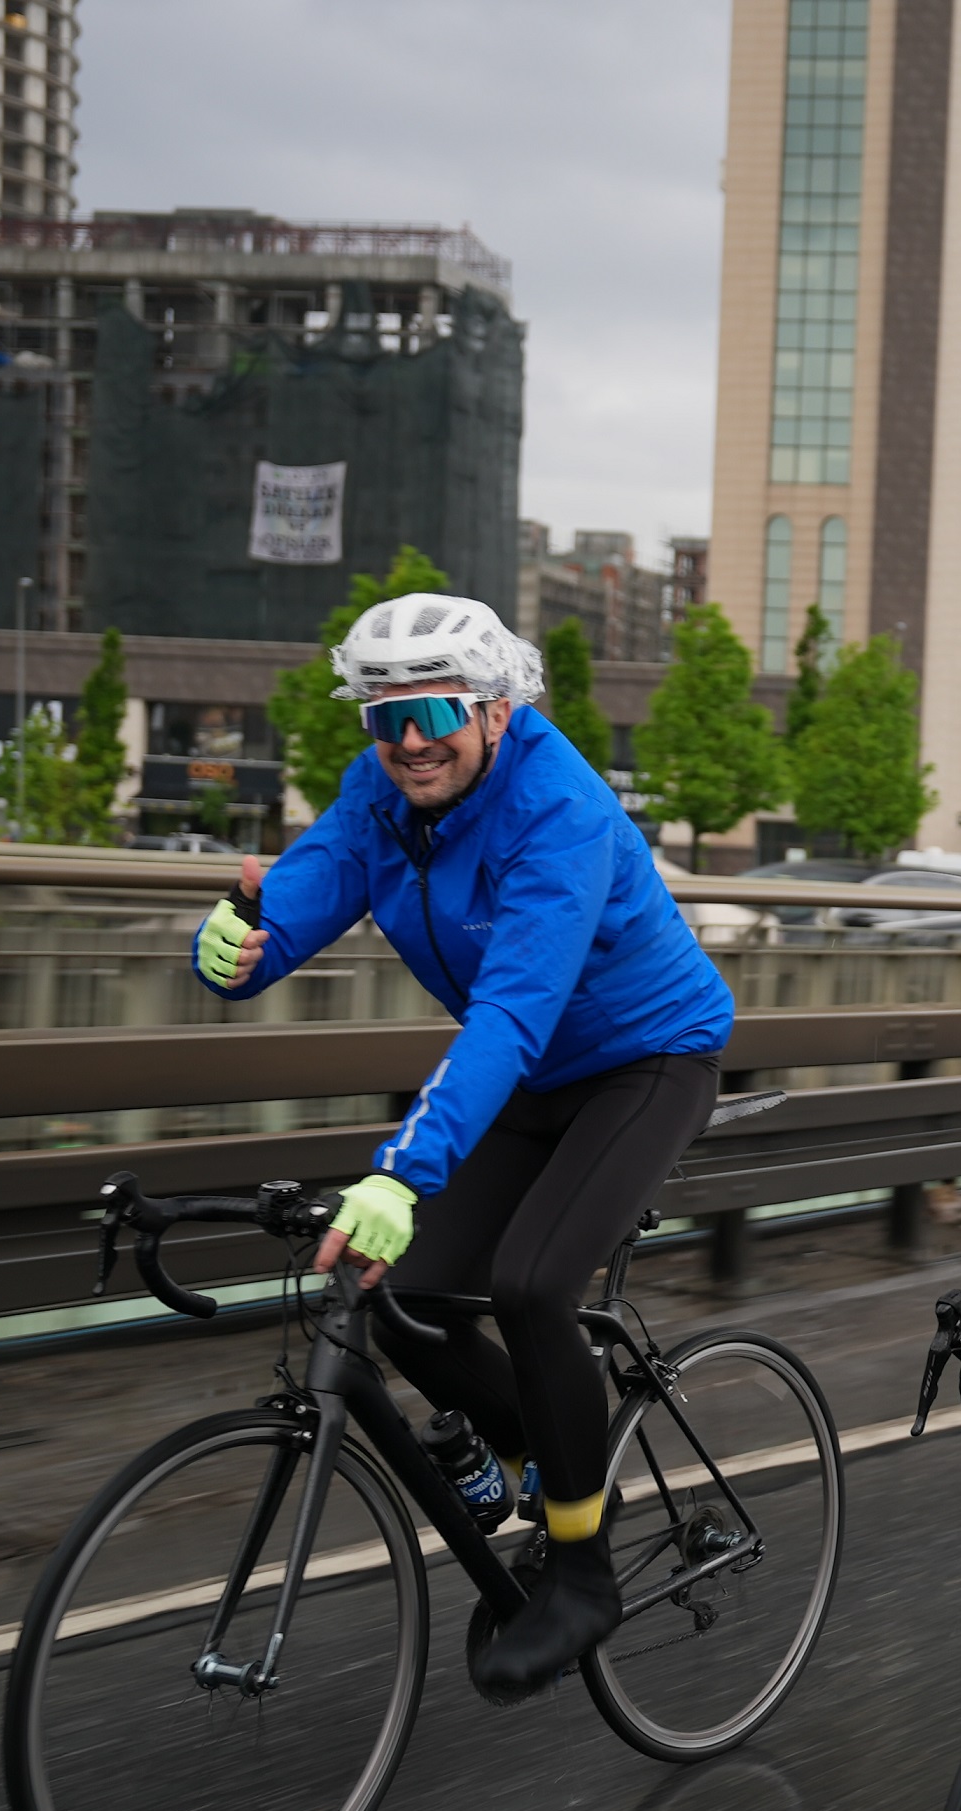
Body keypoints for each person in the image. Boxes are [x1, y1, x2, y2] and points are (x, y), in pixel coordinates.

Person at [192, 593, 737, 1696]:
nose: (406, 743)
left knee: (532, 1285)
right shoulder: (381, 793)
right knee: (405, 1295)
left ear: (493, 710)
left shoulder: (561, 810)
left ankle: (583, 1571)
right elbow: (312, 885)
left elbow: (512, 1010)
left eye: (431, 712)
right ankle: (554, 1453)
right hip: (528, 1075)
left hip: (644, 1060)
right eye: (380, 719)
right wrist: (247, 943)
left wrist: (401, 1173)